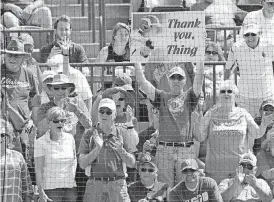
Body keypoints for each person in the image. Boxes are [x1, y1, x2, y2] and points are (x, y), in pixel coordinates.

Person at [135, 61, 204, 187]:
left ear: (184, 81)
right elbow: (142, 82)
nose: (176, 80)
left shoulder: (189, 97)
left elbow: (199, 79)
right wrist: (136, 60)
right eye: (173, 77)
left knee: (184, 188)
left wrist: (200, 59)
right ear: (168, 79)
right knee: (165, 189)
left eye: (180, 77)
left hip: (185, 149)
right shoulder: (161, 97)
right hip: (164, 150)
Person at [194, 80, 274, 184]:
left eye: (229, 91)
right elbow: (200, 137)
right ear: (219, 95)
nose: (226, 94)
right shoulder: (210, 113)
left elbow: (256, 133)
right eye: (223, 91)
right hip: (215, 171)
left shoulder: (243, 113)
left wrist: (263, 124)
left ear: (235, 95)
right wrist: (197, 118)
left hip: (239, 171)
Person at [78, 98, 136, 202]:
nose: (104, 115)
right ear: (98, 113)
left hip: (117, 185)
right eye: (102, 111)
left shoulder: (122, 133)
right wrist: (97, 149)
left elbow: (132, 163)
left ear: (114, 115)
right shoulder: (89, 134)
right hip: (94, 185)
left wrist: (121, 151)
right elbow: (82, 164)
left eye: (108, 112)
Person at [225, 23, 274, 118]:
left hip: (267, 96)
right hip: (245, 97)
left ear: (259, 33)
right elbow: (228, 69)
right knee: (247, 130)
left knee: (269, 128)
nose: (250, 37)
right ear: (243, 36)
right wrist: (226, 87)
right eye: (247, 35)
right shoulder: (236, 48)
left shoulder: (270, 45)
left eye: (253, 34)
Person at [1, 37, 38, 159]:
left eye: (16, 56)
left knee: (24, 161)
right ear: (5, 56)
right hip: (2, 126)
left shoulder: (29, 74)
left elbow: (35, 100)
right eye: (10, 55)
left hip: (24, 127)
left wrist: (33, 122)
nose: (12, 58)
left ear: (23, 58)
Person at [34, 107, 77, 202]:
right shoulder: (40, 142)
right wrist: (41, 192)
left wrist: (71, 179)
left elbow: (74, 161)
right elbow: (38, 170)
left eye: (63, 120)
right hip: (51, 190)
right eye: (56, 121)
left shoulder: (70, 139)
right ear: (49, 123)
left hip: (70, 188)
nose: (60, 123)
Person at [0, 119, 33, 202]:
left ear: (8, 137)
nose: (0, 138)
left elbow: (27, 188)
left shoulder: (18, 156)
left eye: (3, 135)